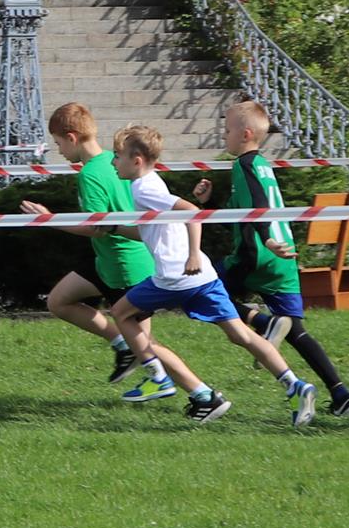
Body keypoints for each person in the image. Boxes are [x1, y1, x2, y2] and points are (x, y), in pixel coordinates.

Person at [97, 124, 321, 428]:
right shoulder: (152, 183)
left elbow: (191, 211)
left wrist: (191, 253)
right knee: (240, 335)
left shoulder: (143, 187)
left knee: (122, 313)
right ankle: (294, 385)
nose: (113, 162)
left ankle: (157, 377)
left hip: (174, 277)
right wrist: (113, 228)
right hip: (203, 276)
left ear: (136, 160)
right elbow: (151, 230)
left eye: (117, 156)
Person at [191, 98, 349, 416]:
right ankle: (343, 395)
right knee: (296, 331)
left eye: (226, 129)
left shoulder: (243, 165)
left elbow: (257, 206)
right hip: (283, 260)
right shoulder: (263, 166)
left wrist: (267, 238)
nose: (223, 135)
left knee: (196, 289)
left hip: (257, 254)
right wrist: (206, 203)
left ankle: (262, 321)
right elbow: (240, 213)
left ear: (244, 134)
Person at [27, 101, 150, 384]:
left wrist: (48, 219)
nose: (58, 150)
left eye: (58, 143)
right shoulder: (114, 158)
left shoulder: (90, 174)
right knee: (59, 301)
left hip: (124, 264)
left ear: (71, 137)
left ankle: (202, 393)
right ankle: (122, 345)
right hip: (110, 259)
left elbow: (97, 229)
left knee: (146, 345)